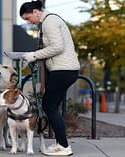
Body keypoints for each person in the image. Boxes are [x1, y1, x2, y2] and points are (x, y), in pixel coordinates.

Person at [19, 1, 80, 156]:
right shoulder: (49, 20)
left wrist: (33, 56)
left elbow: (57, 47)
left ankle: (64, 147)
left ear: (35, 12)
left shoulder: (49, 22)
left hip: (63, 70)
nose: (28, 22)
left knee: (49, 106)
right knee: (51, 107)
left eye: (27, 18)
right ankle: (60, 144)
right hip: (64, 69)